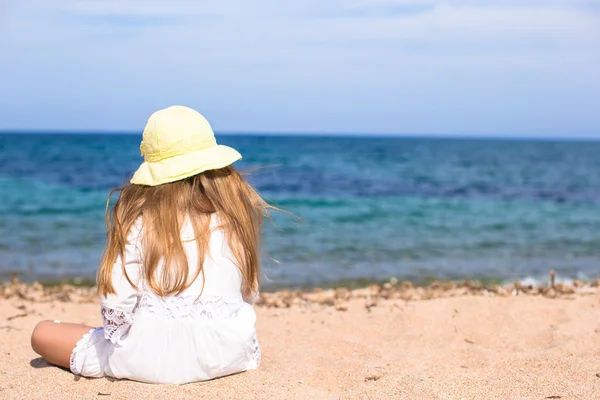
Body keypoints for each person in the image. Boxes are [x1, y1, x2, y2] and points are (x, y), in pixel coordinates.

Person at [30, 105, 269, 384]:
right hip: (230, 354)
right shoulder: (233, 219)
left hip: (150, 360)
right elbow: (246, 295)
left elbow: (118, 306)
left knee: (43, 333)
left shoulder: (140, 221)